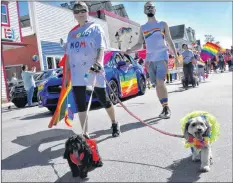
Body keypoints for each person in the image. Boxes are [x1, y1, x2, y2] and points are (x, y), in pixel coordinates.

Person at [64, 1, 120, 137]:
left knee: (104, 99)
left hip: (93, 71)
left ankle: (114, 123)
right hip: (77, 75)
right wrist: (66, 75)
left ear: (87, 12)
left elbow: (101, 47)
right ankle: (85, 133)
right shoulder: (72, 34)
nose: (80, 13)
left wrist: (98, 62)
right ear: (74, 14)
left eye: (83, 10)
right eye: (76, 11)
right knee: (81, 104)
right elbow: (68, 56)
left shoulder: (95, 28)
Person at [125, 1, 179, 119]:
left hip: (161, 57)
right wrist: (130, 49)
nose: (149, 9)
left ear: (155, 10)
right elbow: (139, 43)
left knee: (160, 82)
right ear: (144, 11)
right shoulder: (143, 28)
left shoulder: (162, 24)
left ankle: (166, 108)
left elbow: (169, 41)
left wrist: (175, 56)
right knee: (156, 85)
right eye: (147, 7)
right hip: (149, 60)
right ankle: (163, 107)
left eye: (151, 7)